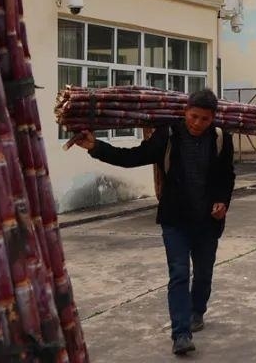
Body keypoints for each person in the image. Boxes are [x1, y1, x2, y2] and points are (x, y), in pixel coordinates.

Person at [74, 89, 235, 356]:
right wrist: (96, 147)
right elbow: (133, 157)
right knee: (179, 273)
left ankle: (197, 311)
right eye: (194, 116)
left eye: (205, 119)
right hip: (175, 221)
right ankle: (180, 334)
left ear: (213, 118)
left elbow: (226, 175)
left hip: (207, 222)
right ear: (185, 112)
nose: (197, 123)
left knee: (203, 273)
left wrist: (222, 201)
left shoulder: (220, 139)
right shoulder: (168, 135)